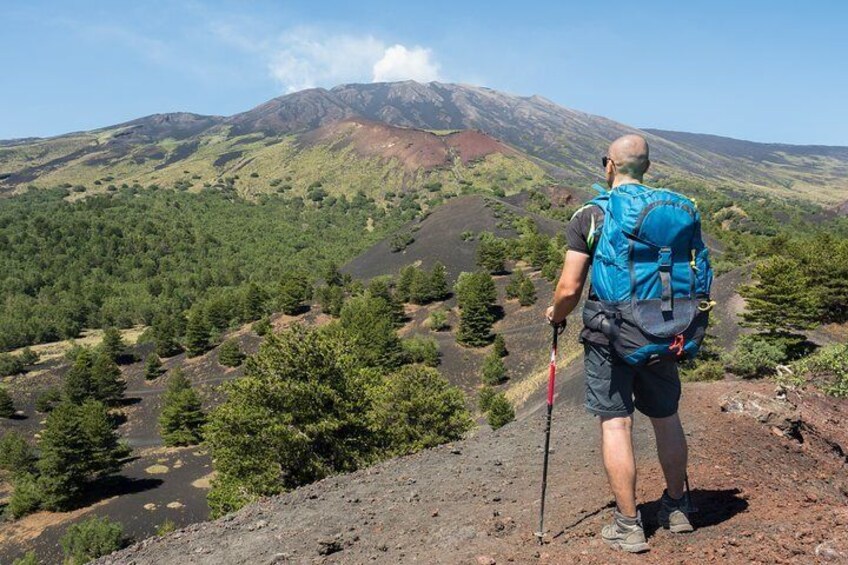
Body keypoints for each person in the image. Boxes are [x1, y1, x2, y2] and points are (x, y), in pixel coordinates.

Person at [545, 134, 693, 553]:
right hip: (662, 329)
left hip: (609, 333)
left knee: (616, 423)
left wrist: (556, 315)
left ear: (609, 165)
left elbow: (570, 286)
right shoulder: (669, 211)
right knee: (666, 418)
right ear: (646, 167)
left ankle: (628, 525)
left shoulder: (591, 215)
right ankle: (678, 508)